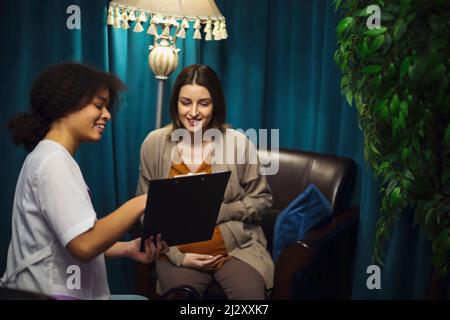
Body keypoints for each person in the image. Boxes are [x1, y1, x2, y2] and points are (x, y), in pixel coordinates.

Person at [0, 62, 168, 300]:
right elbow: (84, 245)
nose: (107, 115)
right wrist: (144, 201)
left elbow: (69, 236)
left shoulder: (53, 157)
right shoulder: (52, 161)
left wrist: (128, 248)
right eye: (99, 105)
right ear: (66, 104)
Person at [136, 64, 274, 300]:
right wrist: (179, 257)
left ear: (216, 105)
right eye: (186, 102)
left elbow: (262, 200)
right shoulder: (154, 143)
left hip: (235, 251)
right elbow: (143, 211)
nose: (193, 112)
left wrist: (223, 211)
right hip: (177, 254)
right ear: (175, 103)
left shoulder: (238, 143)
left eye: (204, 103)